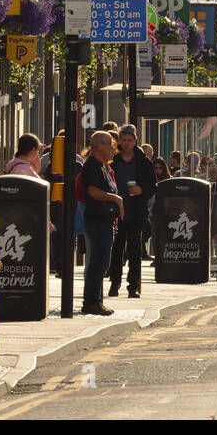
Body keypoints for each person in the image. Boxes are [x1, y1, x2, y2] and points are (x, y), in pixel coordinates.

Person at [108, 124, 157, 299]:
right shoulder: (113, 160)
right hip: (116, 212)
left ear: (135, 141)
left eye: (130, 140)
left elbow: (152, 186)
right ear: (119, 141)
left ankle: (133, 286)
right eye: (123, 140)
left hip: (136, 212)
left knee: (135, 251)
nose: (127, 143)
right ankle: (114, 284)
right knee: (116, 250)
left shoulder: (143, 161)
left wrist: (141, 190)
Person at [80, 131, 122, 315]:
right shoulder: (92, 166)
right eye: (108, 144)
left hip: (105, 220)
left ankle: (94, 300)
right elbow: (92, 191)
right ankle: (91, 302)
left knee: (101, 262)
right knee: (99, 261)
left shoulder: (103, 166)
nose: (113, 147)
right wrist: (115, 198)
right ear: (98, 146)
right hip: (97, 220)